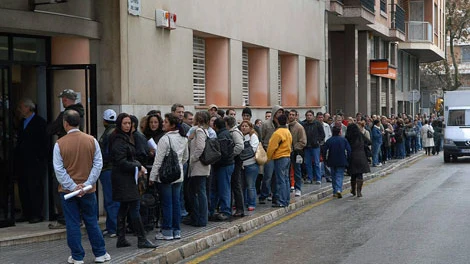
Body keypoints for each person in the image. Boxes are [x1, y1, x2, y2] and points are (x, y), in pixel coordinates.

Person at [52, 109, 111, 264]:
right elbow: (98, 164)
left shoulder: (59, 144)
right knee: (91, 221)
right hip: (88, 190)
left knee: (72, 223)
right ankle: (100, 253)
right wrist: (86, 184)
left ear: (65, 123)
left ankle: (77, 256)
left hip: (67, 191)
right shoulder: (91, 140)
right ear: (79, 122)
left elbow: (59, 169)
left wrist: (72, 186)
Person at [110, 113, 157, 249]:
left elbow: (129, 158)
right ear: (119, 124)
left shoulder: (125, 138)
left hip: (127, 177)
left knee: (124, 207)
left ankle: (121, 238)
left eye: (129, 123)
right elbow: (121, 162)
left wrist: (136, 164)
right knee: (134, 207)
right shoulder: (119, 140)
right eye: (124, 123)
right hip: (123, 179)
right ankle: (142, 238)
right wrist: (138, 166)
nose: (127, 126)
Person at [48, 89, 85, 229]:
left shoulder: (66, 115)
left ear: (65, 100)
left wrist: (57, 130)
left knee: (59, 184)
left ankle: (64, 217)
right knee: (77, 182)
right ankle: (78, 216)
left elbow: (50, 129)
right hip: (78, 151)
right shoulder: (80, 113)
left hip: (65, 150)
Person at [150, 113, 189, 240]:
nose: (163, 124)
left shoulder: (165, 139)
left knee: (167, 203)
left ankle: (167, 231)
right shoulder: (183, 138)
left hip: (165, 176)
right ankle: (176, 230)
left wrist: (152, 177)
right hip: (178, 175)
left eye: (165, 122)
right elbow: (185, 157)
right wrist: (178, 165)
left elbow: (158, 160)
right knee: (176, 202)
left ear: (172, 125)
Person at [14, 98, 48, 223]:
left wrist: (40, 158)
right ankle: (27, 212)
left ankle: (36, 214)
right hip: (22, 162)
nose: (20, 110)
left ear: (28, 108)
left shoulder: (40, 122)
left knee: (35, 188)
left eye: (22, 107)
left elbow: (44, 143)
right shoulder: (21, 123)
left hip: (35, 162)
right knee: (24, 188)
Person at [186, 111, 211, 227]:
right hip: (200, 166)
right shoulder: (201, 131)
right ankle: (198, 217)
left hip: (199, 166)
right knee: (196, 191)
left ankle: (201, 219)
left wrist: (192, 159)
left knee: (199, 192)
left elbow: (200, 147)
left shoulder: (199, 131)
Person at [209, 117, 235, 221]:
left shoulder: (222, 136)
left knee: (224, 189)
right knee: (218, 189)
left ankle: (225, 211)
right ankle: (213, 209)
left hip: (224, 166)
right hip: (225, 165)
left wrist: (215, 161)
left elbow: (223, 153)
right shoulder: (226, 134)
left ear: (215, 126)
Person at [98, 109, 119, 237]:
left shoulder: (108, 133)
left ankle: (113, 228)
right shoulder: (115, 132)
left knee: (110, 199)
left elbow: (106, 153)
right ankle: (112, 226)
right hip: (112, 169)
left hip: (108, 169)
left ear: (104, 120)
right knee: (111, 199)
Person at [259, 105, 284, 204]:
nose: (280, 114)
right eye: (278, 112)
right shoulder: (265, 124)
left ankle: (275, 196)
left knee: (277, 176)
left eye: (281, 112)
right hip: (268, 151)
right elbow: (261, 137)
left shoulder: (282, 125)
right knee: (267, 175)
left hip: (279, 153)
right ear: (274, 113)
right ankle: (264, 194)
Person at [266, 114, 292, 207]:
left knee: (280, 180)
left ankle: (281, 201)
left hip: (280, 157)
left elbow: (271, 147)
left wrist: (268, 158)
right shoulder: (287, 131)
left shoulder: (277, 133)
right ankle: (286, 200)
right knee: (286, 179)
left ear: (277, 121)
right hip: (287, 156)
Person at [322, 126, 351, 198]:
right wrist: (348, 159)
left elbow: (324, 151)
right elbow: (348, 150)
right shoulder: (343, 140)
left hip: (331, 160)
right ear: (340, 132)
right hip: (342, 160)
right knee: (339, 175)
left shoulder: (329, 141)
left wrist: (325, 160)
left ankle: (334, 191)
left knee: (333, 176)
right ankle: (338, 189)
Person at [345, 123, 370, 197]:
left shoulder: (348, 136)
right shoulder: (360, 135)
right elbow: (369, 142)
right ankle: (359, 191)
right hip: (361, 156)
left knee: (353, 174)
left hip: (352, 156)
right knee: (360, 174)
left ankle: (353, 190)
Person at [240, 121, 260, 211]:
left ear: (250, 127)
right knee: (242, 186)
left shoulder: (253, 136)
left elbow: (252, 150)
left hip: (251, 164)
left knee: (250, 186)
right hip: (241, 165)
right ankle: (243, 202)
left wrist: (241, 152)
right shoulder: (239, 136)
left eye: (246, 126)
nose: (244, 128)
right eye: (242, 126)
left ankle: (251, 203)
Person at [227, 116, 245, 217]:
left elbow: (240, 146)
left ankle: (240, 208)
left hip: (236, 161)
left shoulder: (234, 133)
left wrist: (231, 154)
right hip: (236, 161)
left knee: (236, 184)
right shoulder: (234, 132)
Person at [302, 110, 325, 185]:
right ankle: (309, 178)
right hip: (307, 146)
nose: (309, 117)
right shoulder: (304, 125)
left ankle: (318, 178)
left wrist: (318, 141)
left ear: (313, 116)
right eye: (307, 115)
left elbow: (322, 134)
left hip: (315, 146)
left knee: (316, 162)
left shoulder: (317, 124)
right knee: (308, 163)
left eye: (310, 115)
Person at [287, 110, 306, 197]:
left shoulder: (299, 127)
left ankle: (298, 188)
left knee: (297, 170)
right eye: (290, 115)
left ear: (296, 116)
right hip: (287, 152)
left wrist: (295, 147)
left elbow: (303, 141)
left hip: (296, 152)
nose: (291, 116)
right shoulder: (286, 126)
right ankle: (288, 187)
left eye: (292, 115)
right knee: (287, 171)